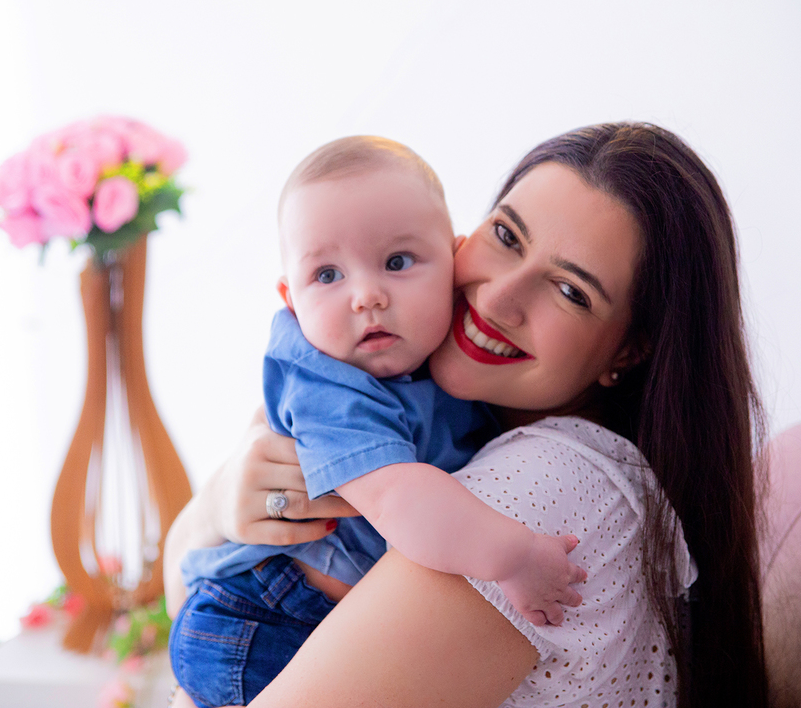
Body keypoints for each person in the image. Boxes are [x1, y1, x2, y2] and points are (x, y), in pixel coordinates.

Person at [164, 122, 769, 708]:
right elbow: (184, 595)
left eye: (571, 291)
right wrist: (217, 505)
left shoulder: (544, 488)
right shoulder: (373, 378)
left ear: (629, 351)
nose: (498, 298)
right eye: (506, 235)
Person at [170, 136, 587, 708]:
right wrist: (514, 556)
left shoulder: (441, 366)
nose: (367, 296)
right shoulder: (327, 383)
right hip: (262, 617)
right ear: (290, 299)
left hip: (313, 620)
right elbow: (399, 499)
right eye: (327, 275)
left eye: (397, 262)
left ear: (452, 263)